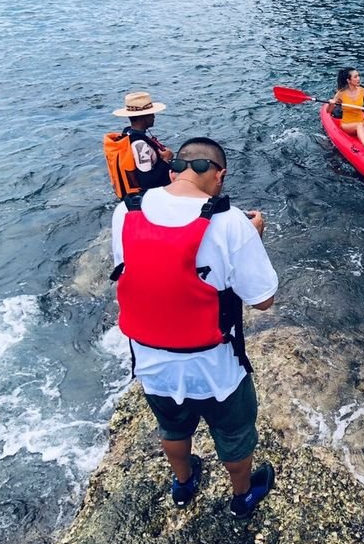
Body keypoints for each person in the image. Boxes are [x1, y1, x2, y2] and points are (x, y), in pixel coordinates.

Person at [110, 136, 279, 517]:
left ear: (173, 171)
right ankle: (243, 497)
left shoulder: (126, 210)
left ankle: (184, 485)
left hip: (153, 364)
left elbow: (131, 269)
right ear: (219, 175)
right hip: (215, 368)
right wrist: (254, 235)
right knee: (235, 435)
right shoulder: (230, 222)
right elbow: (263, 300)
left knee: (173, 428)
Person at [103, 91, 175, 199]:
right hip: (149, 197)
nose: (154, 117)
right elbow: (147, 182)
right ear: (143, 117)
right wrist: (165, 160)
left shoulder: (127, 133)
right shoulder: (139, 145)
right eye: (151, 114)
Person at [328, 67, 364, 149]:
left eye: (358, 76)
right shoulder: (340, 94)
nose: (358, 78)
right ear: (348, 80)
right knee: (360, 125)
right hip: (347, 124)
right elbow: (329, 111)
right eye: (355, 77)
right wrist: (331, 104)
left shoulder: (363, 91)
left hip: (360, 120)